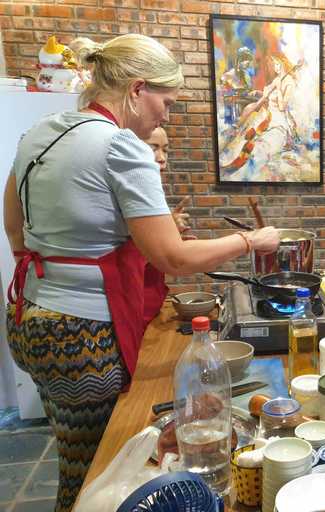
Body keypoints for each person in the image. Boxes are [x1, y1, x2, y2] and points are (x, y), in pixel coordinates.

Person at [3, 34, 280, 512]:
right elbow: (171, 258)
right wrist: (251, 241)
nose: (166, 116)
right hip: (82, 338)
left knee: (77, 460)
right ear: (136, 89)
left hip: (30, 321)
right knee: (101, 475)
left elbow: (15, 226)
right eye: (166, 102)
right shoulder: (121, 146)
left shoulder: (42, 132)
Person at [141, 126, 196, 327]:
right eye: (152, 148)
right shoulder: (133, 191)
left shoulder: (151, 189)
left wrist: (168, 230)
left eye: (165, 150)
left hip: (149, 305)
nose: (162, 157)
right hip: (134, 308)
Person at [220, 50, 299, 180]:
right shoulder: (276, 80)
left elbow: (282, 106)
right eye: (274, 65)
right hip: (267, 118)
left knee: (259, 147)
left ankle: (244, 170)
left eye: (278, 64)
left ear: (283, 63)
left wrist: (278, 88)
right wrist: (260, 93)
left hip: (278, 124)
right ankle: (231, 163)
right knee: (245, 132)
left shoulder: (289, 82)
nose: (276, 68)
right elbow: (267, 97)